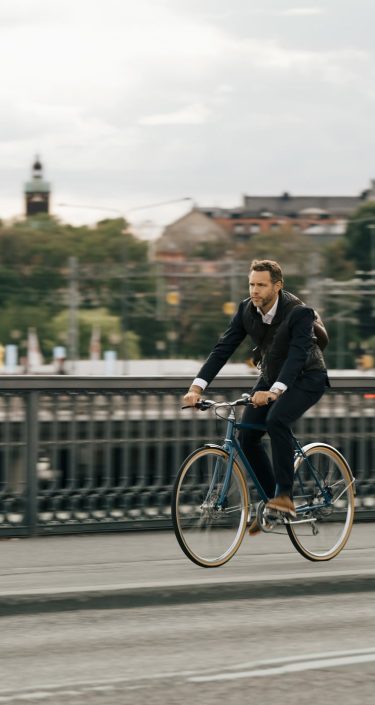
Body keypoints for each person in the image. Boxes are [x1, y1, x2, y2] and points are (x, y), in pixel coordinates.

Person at [183, 259, 329, 534]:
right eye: (251, 284)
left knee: (276, 421)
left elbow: (298, 357)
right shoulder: (246, 310)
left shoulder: (299, 312)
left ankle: (285, 495)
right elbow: (222, 349)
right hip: (271, 378)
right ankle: (272, 502)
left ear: (277, 286)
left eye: (261, 285)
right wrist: (197, 387)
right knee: (247, 436)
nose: (254, 290)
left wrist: (274, 392)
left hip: (307, 377)